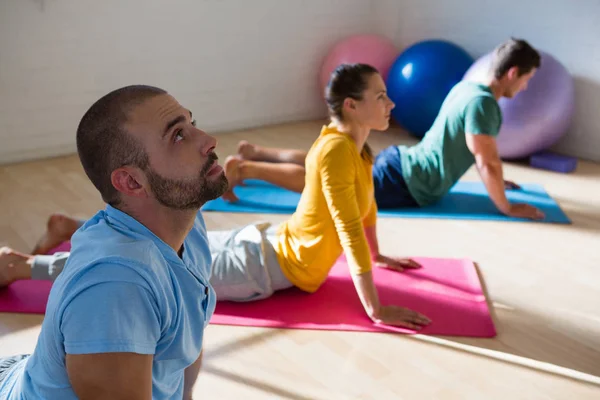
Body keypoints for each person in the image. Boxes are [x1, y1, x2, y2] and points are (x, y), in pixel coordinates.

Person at [1, 64, 431, 336]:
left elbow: (365, 208)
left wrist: (380, 256)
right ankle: (23, 265)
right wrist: (375, 308)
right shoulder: (337, 150)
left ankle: (70, 227)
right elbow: (347, 225)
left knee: (155, 252)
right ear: (353, 106)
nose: (391, 102)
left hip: (266, 243)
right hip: (263, 265)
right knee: (142, 273)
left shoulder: (356, 148)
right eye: (381, 96)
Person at [0, 85, 230, 399]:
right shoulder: (115, 288)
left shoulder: (188, 222)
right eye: (178, 135)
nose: (207, 140)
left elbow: (183, 352)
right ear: (132, 181)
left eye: (191, 123)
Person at [219, 38, 546, 221]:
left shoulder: (468, 87)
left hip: (403, 163)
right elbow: (485, 160)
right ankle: (247, 168)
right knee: (323, 182)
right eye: (527, 79)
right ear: (513, 72)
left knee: (325, 164)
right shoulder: (484, 104)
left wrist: (500, 180)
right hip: (409, 181)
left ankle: (257, 152)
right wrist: (507, 206)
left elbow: (478, 155)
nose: (527, 86)